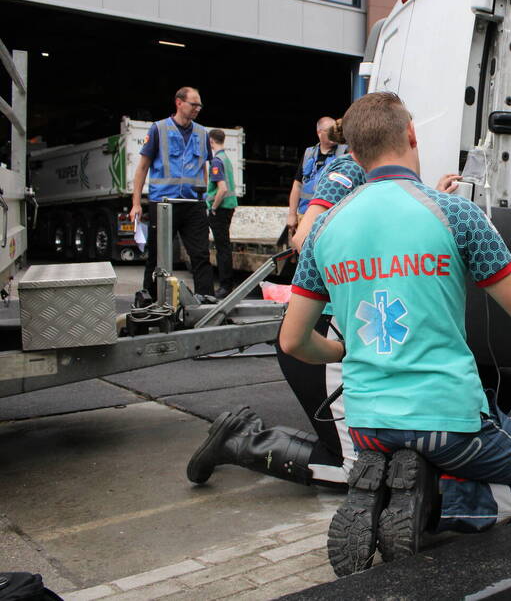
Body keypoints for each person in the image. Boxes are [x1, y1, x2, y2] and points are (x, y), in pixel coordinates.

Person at [280, 91, 511, 576]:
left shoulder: (324, 229)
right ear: (411, 134)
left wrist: (343, 348)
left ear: (353, 153)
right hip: (448, 421)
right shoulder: (456, 214)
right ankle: (434, 504)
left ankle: (392, 489)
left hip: (367, 426)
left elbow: (293, 340)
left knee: (411, 448)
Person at [187, 123, 459, 492]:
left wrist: (432, 199)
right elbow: (305, 237)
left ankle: (247, 435)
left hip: (349, 332)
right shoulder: (350, 170)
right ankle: (240, 441)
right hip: (325, 331)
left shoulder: (388, 185)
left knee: (379, 459)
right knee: (357, 472)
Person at [130, 86, 214, 300]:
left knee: (201, 254)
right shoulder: (158, 129)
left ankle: (206, 299)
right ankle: (150, 300)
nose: (198, 109)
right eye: (193, 104)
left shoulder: (202, 133)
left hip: (193, 203)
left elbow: (203, 168)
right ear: (179, 103)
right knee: (157, 256)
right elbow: (142, 168)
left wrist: (204, 197)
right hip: (164, 203)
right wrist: (136, 203)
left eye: (200, 105)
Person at [287, 117, 340, 238]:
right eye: (330, 131)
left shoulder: (345, 152)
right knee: (302, 246)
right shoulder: (309, 153)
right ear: (319, 133)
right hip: (305, 214)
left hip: (331, 216)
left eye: (336, 130)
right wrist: (292, 214)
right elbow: (297, 185)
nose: (334, 134)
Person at [205, 129, 237, 299]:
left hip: (221, 209)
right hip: (228, 207)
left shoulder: (216, 161)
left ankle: (225, 286)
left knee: (222, 248)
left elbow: (222, 188)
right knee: (224, 247)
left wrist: (213, 207)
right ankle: (227, 284)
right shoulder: (226, 159)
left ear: (211, 141)